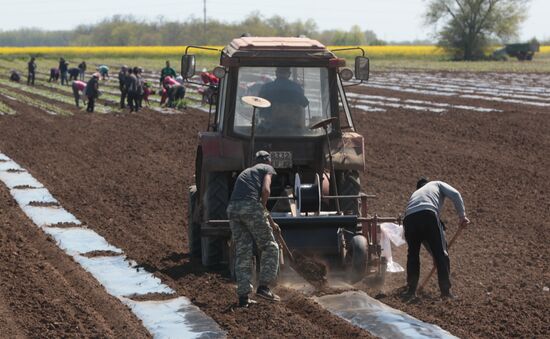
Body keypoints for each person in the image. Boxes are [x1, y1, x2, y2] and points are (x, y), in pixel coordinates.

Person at [226, 150, 280, 308]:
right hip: (250, 208)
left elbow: (251, 200)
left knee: (244, 252)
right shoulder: (267, 169)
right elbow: (266, 191)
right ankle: (264, 287)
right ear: (269, 161)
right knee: (270, 246)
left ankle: (243, 298)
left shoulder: (247, 172)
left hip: (233, 209)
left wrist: (270, 221)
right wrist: (262, 211)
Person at [401, 178, 470, 300]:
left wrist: (433, 255)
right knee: (442, 254)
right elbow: (455, 194)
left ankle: (411, 291)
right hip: (428, 214)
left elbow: (423, 236)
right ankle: (446, 292)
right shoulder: (436, 184)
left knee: (413, 255)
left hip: (409, 218)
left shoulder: (416, 194)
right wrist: (462, 216)